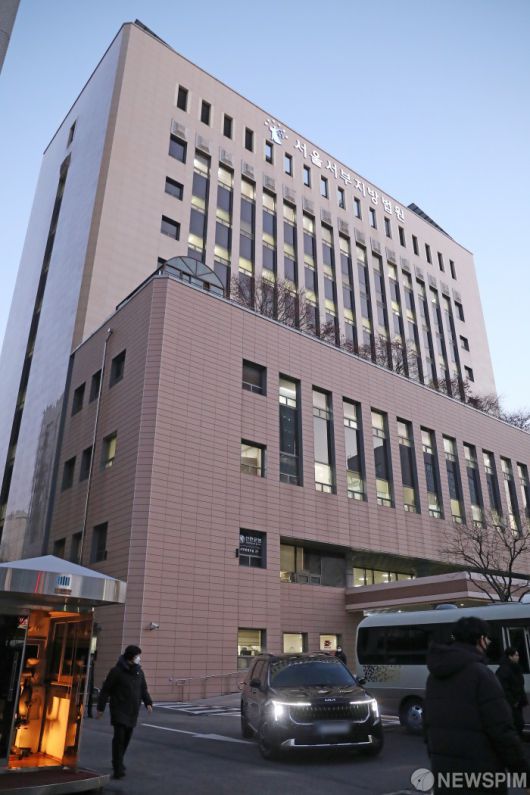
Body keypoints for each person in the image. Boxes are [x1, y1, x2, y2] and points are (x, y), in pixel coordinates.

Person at [424, 617, 530, 794]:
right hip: (482, 777)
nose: (489, 642)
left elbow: (428, 727)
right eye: (487, 638)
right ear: (480, 639)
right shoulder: (482, 675)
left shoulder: (434, 677)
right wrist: (524, 776)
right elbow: (502, 732)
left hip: (445, 776)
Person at [96, 645, 153, 780]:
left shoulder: (139, 672)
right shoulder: (116, 671)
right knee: (119, 738)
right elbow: (106, 689)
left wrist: (148, 702)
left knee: (127, 738)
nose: (139, 658)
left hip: (132, 710)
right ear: (130, 657)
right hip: (119, 709)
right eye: (137, 656)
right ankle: (118, 767)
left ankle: (119, 760)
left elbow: (143, 689)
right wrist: (100, 708)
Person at [497, 646, 528, 737]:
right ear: (510, 657)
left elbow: (519, 685)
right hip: (512, 703)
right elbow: (504, 687)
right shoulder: (504, 670)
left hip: (517, 702)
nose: (518, 657)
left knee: (519, 723)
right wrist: (513, 701)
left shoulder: (516, 668)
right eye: (516, 655)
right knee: (516, 723)